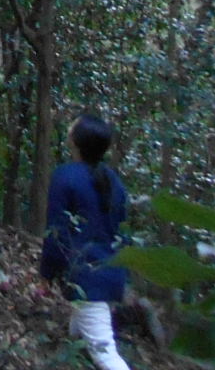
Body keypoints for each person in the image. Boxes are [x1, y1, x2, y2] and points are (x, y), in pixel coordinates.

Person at [39, 112, 132, 370]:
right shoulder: (114, 181)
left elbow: (56, 232)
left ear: (76, 140)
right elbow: (121, 233)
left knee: (106, 356)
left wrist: (46, 274)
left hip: (87, 279)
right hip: (111, 275)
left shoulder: (65, 176)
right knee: (78, 336)